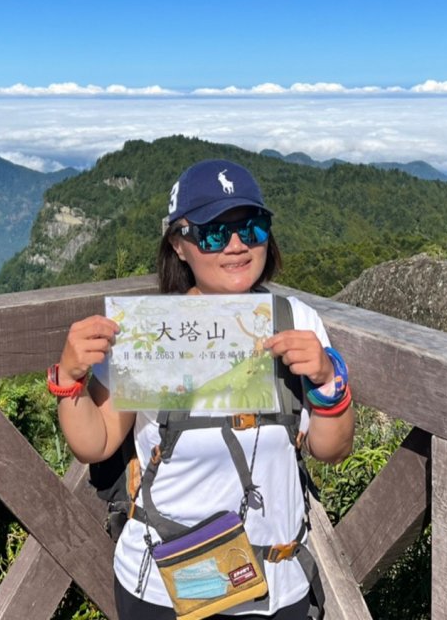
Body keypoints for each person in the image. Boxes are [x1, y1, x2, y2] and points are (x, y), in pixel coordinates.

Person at [52, 158, 355, 619]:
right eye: (215, 232)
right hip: (165, 585)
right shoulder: (149, 334)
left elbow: (331, 450)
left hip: (277, 583)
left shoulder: (296, 322)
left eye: (251, 229)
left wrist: (326, 381)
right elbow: (97, 441)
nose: (236, 246)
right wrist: (69, 379)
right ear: (179, 244)